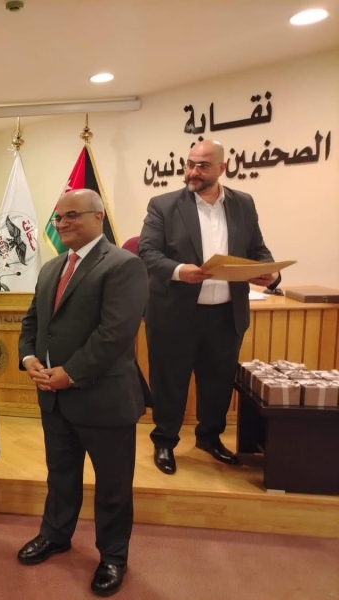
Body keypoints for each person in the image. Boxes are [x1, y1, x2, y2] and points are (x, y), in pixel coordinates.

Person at [17, 189, 148, 597]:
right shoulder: (51, 267)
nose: (62, 224)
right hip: (54, 398)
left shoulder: (124, 265)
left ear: (98, 217)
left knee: (112, 487)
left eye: (72, 215)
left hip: (104, 399)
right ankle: (55, 535)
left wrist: (70, 374)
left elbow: (114, 334)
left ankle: (113, 556)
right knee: (60, 476)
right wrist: (28, 358)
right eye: (58, 218)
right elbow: (33, 323)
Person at [138, 139, 277, 475]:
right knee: (170, 382)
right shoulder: (163, 205)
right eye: (190, 164)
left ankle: (210, 438)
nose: (193, 172)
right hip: (175, 314)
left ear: (222, 168)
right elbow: (147, 251)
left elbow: (258, 249)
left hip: (226, 314)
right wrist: (179, 271)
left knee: (217, 383)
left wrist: (269, 272)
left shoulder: (243, 203)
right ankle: (165, 441)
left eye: (202, 165)